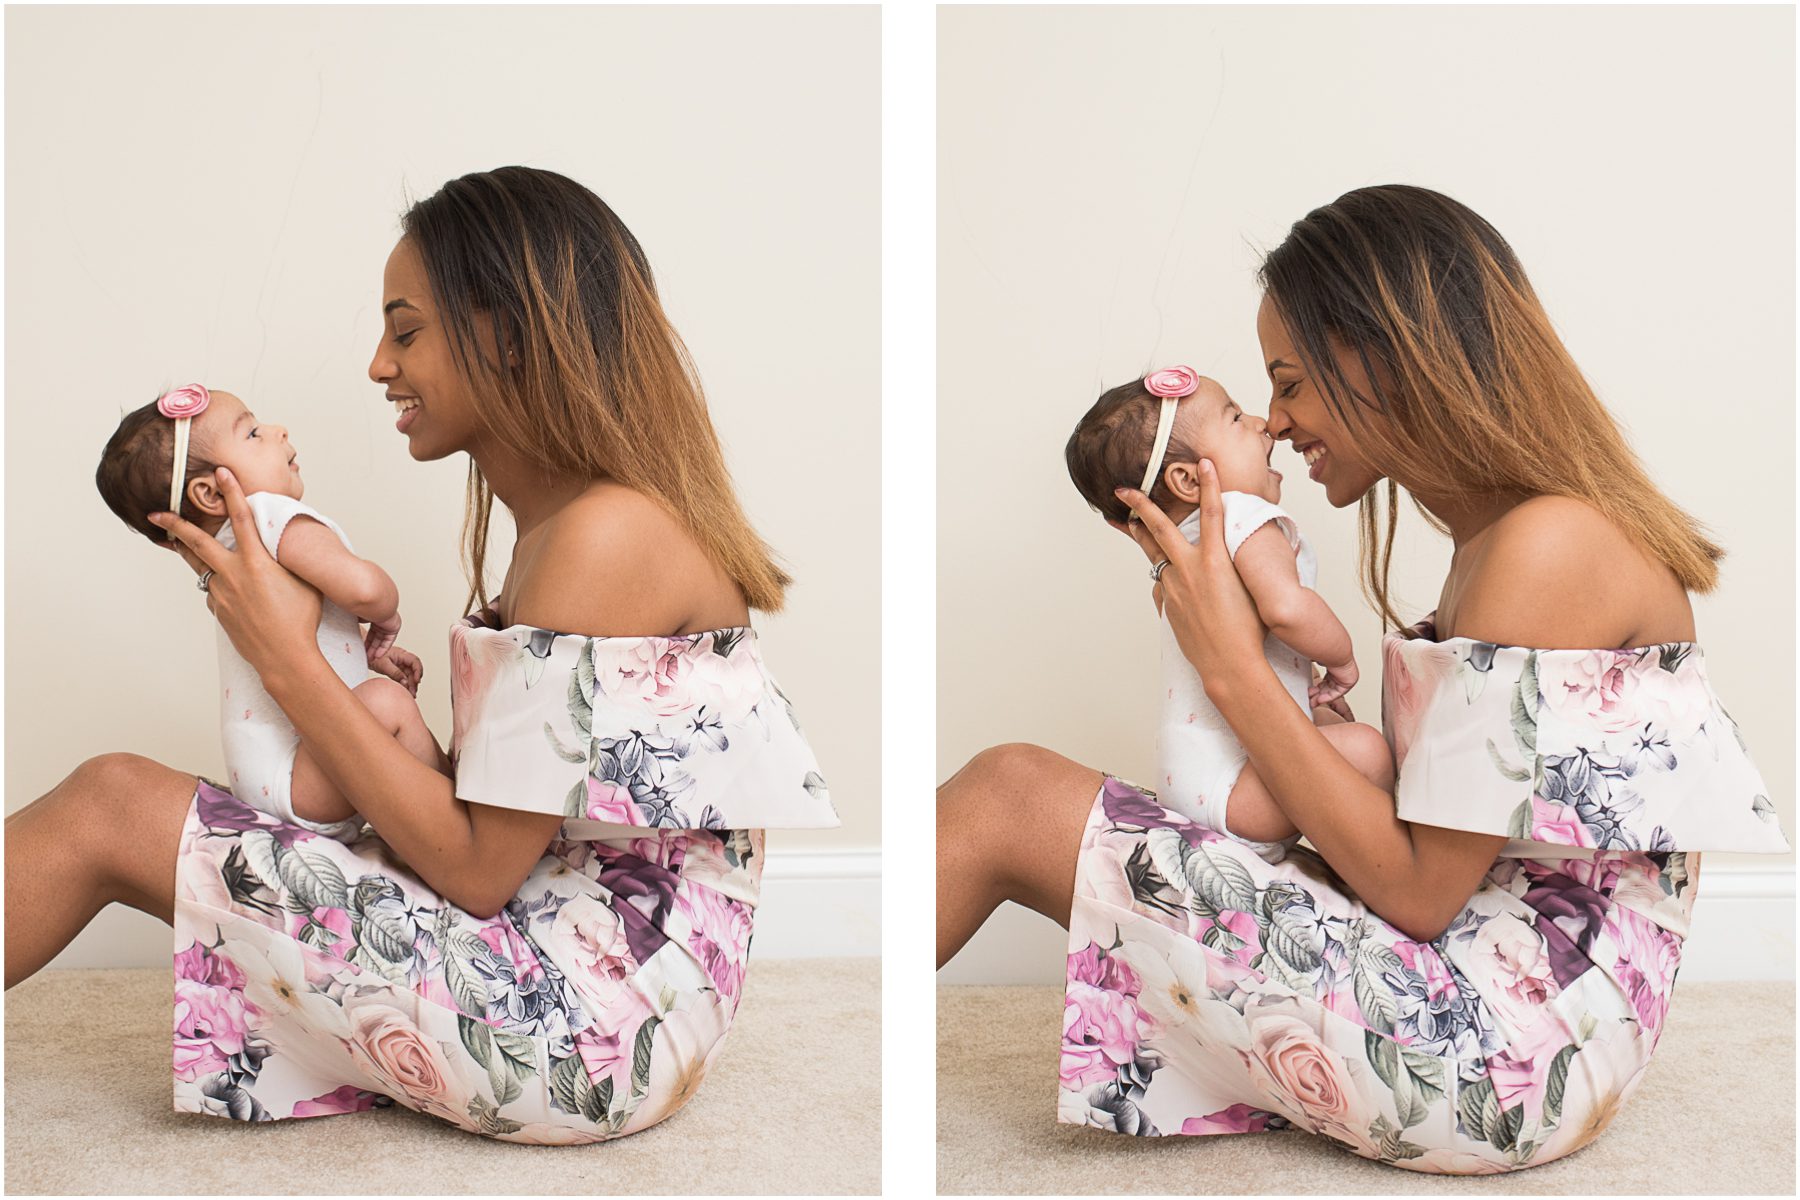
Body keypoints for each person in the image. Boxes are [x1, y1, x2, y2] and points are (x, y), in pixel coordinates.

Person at [938, 184, 1787, 1172]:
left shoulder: (1546, 547)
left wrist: (1235, 676)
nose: (1281, 420)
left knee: (1008, 798)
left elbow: (1423, 895)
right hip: (1481, 988)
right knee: (1040, 800)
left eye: (1290, 381)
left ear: (1384, 355)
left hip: (1495, 1051)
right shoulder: (1498, 543)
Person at [7, 166, 838, 1143]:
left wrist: (291, 664)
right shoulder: (562, 528)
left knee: (115, 802)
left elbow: (478, 874)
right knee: (131, 799)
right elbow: (506, 831)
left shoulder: (604, 535)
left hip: (585, 1021)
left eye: (406, 331)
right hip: (552, 947)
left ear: (505, 331)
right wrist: (380, 716)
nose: (376, 366)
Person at [1064, 364, 1391, 863]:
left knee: (1325, 724)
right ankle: (1382, 863)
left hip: (1199, 785)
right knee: (1368, 750)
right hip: (1235, 788)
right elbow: (1285, 608)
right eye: (1236, 418)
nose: (1262, 422)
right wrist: (1343, 659)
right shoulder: (1243, 516)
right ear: (1189, 480)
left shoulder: (1184, 558)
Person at [95, 383, 443, 841]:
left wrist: (363, 654)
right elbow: (364, 589)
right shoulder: (267, 514)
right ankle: (453, 804)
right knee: (387, 702)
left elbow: (296, 634)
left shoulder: (237, 560)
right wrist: (387, 610)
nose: (278, 431)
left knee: (376, 698)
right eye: (253, 433)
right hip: (296, 775)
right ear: (212, 493)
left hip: (274, 780)